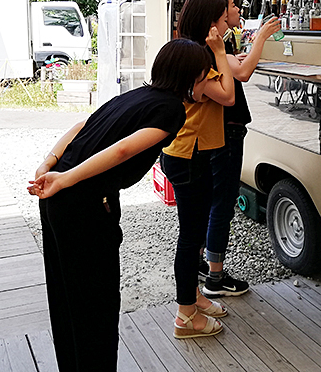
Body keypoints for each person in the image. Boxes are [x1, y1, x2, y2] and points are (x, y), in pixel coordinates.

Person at [28, 39, 212, 372]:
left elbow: (81, 126)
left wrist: (50, 165)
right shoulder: (172, 109)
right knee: (96, 304)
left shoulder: (134, 94)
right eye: (206, 74)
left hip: (57, 200)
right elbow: (124, 151)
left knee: (66, 296)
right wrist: (65, 178)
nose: (209, 81)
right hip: (84, 206)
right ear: (191, 75)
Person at [160, 0, 236, 339]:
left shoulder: (190, 53)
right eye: (223, 18)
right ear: (210, 25)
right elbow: (228, 96)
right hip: (189, 154)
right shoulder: (199, 61)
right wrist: (220, 52)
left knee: (195, 231)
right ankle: (185, 315)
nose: (226, 23)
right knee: (191, 238)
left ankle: (193, 298)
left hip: (192, 152)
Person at [200, 0, 282, 298]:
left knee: (210, 200)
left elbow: (238, 64)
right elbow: (243, 72)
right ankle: (215, 278)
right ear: (218, 17)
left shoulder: (211, 46)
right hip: (226, 134)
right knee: (222, 203)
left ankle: (203, 262)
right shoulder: (213, 50)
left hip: (214, 136)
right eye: (231, 7)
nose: (237, 9)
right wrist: (261, 35)